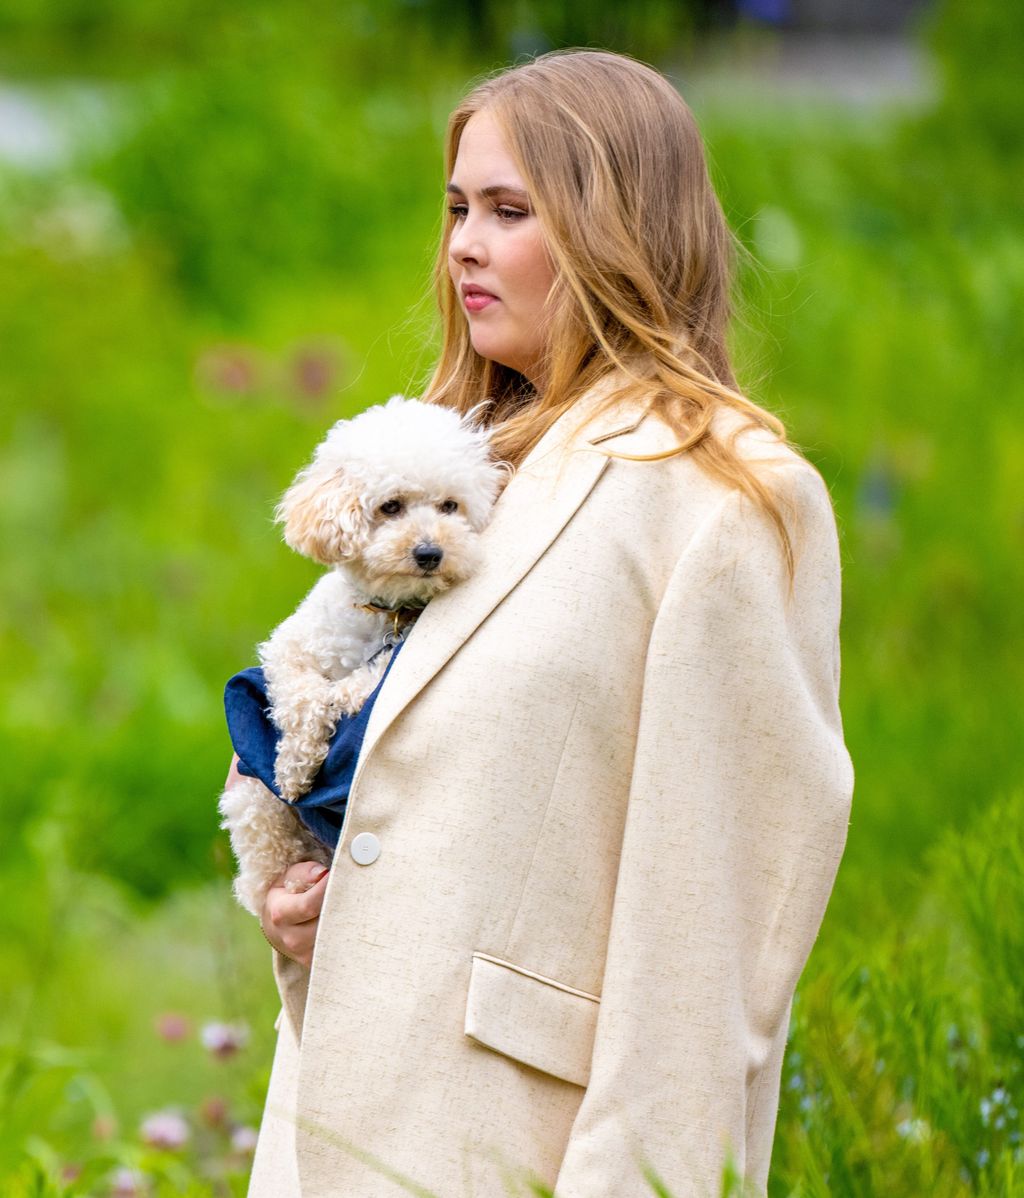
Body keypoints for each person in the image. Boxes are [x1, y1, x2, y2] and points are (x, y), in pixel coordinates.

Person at [228, 48, 854, 1198]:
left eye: (510, 211)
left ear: (620, 231)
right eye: (458, 206)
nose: (464, 243)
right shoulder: (445, 459)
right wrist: (305, 913)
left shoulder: (723, 498)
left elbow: (710, 935)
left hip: (519, 1147)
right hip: (340, 1124)